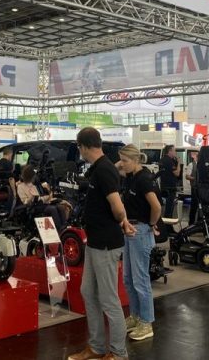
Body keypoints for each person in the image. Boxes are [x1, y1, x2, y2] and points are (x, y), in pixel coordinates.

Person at [68, 127, 135, 360]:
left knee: (108, 299)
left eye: (79, 147)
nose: (79, 151)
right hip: (95, 242)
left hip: (106, 244)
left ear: (84, 146)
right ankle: (96, 347)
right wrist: (123, 221)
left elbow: (117, 206)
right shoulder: (99, 168)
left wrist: (121, 219)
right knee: (88, 292)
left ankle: (118, 352)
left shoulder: (105, 170)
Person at [116, 144, 162, 342]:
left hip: (140, 231)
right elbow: (115, 169)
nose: (122, 164)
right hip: (129, 230)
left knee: (141, 279)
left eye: (125, 160)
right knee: (128, 278)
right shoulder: (131, 177)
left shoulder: (143, 179)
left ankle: (146, 322)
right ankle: (135, 316)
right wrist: (121, 160)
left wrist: (150, 224)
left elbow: (156, 206)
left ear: (135, 160)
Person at [16, 164, 65, 231]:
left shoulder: (34, 185)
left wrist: (49, 192)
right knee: (52, 209)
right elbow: (25, 202)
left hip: (41, 204)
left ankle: (65, 227)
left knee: (60, 207)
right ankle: (59, 229)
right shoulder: (20, 187)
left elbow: (41, 197)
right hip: (32, 207)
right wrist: (32, 196)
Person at [158, 145, 181, 218]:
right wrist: (179, 163)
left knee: (166, 206)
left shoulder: (162, 160)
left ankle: (166, 220)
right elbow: (177, 173)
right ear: (170, 151)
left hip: (164, 185)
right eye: (174, 150)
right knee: (169, 207)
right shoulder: (169, 161)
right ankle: (168, 221)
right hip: (170, 187)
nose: (175, 152)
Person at [185, 151, 199, 224]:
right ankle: (191, 222)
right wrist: (195, 178)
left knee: (201, 207)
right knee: (194, 206)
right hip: (194, 188)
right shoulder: (191, 165)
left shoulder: (202, 165)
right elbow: (187, 176)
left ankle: (200, 222)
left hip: (201, 189)